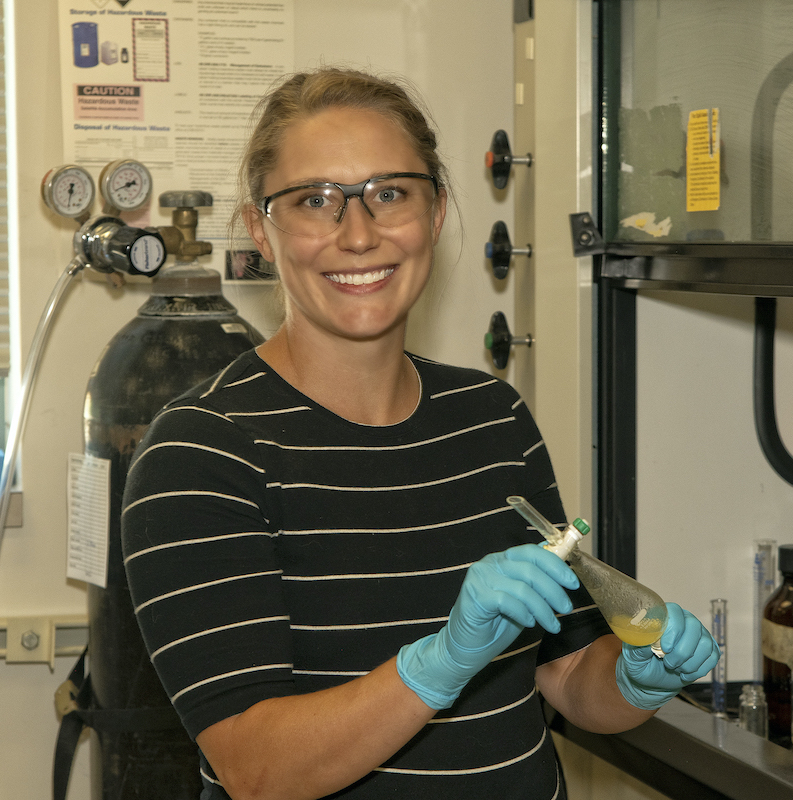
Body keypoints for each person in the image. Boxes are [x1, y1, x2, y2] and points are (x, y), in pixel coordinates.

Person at [121, 66, 720, 800]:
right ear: (262, 233)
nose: (359, 233)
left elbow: (565, 677)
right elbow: (255, 767)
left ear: (433, 215)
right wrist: (438, 662)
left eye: (390, 193)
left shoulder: (493, 418)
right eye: (315, 201)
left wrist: (636, 676)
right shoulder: (202, 452)